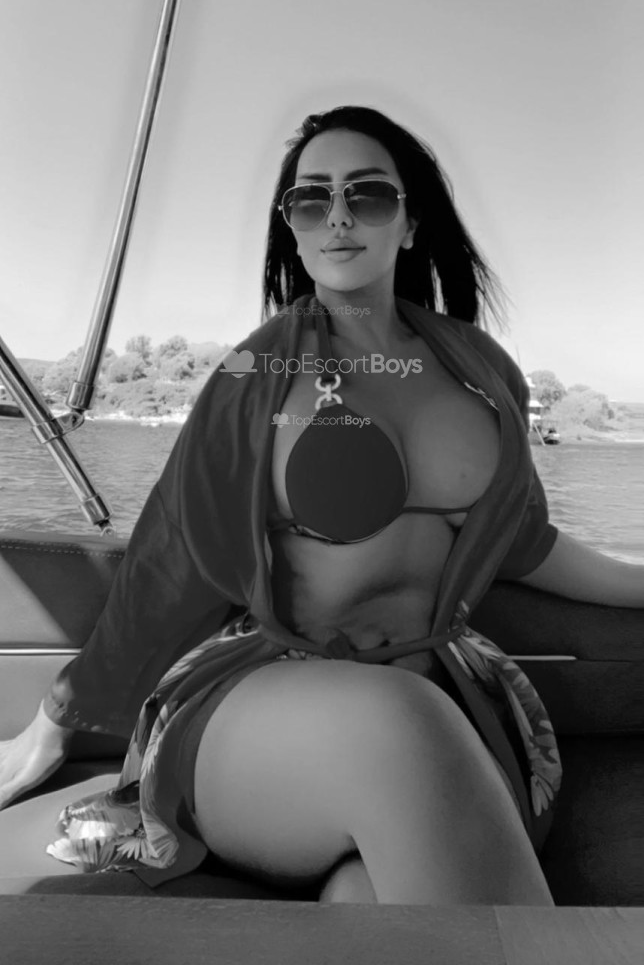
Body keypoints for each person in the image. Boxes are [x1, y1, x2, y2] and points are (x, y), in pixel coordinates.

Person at [0, 105, 641, 905]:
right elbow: (171, 563)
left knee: (368, 897)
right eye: (311, 199)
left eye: (367, 195)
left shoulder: (481, 372)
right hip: (270, 698)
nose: (337, 216)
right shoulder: (253, 376)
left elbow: (522, 542)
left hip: (440, 695)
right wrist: (51, 726)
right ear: (294, 229)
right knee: (398, 728)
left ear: (410, 223)